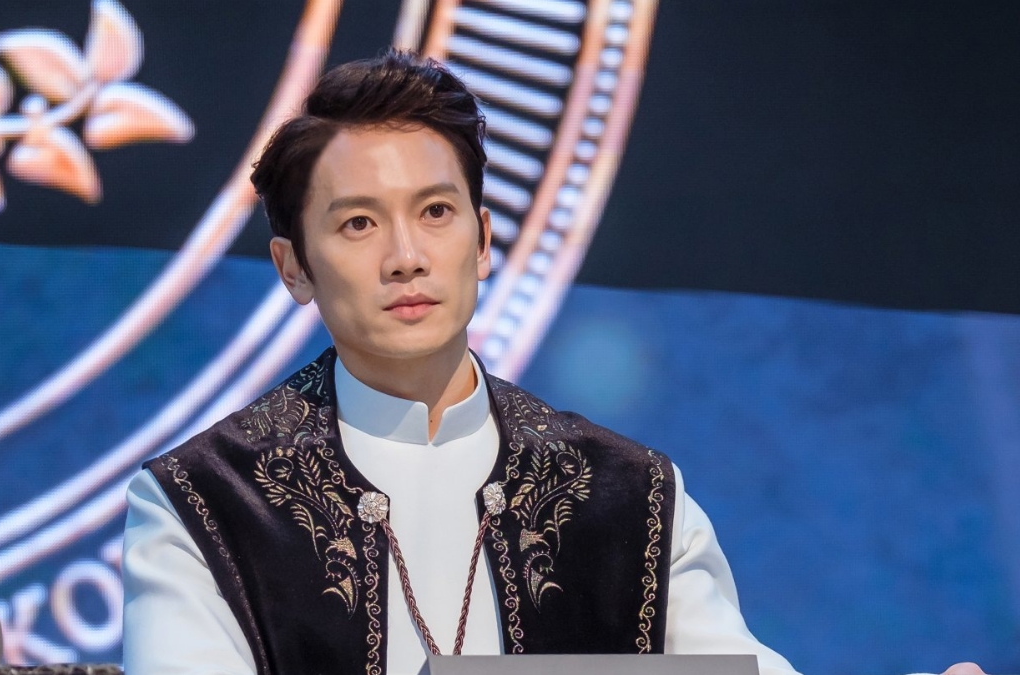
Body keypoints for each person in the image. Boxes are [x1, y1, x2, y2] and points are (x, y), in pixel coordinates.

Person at [121, 50, 986, 675]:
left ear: (483, 240)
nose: (406, 257)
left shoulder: (631, 493)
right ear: (293, 269)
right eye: (358, 223)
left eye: (435, 212)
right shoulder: (201, 503)